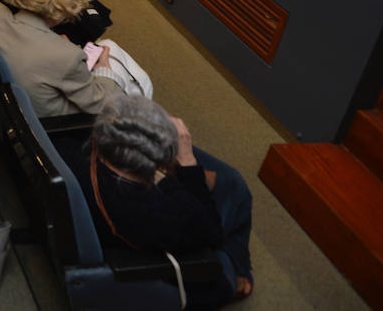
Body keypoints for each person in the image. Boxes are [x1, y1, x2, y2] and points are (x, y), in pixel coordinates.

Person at [63, 96, 254, 306]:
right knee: (236, 193)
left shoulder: (74, 151)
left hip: (104, 220)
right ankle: (233, 275)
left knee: (229, 184)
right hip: (154, 263)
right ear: (157, 163)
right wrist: (188, 163)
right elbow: (210, 232)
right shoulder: (156, 214)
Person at [0, 0, 122, 118]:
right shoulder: (68, 56)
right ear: (64, 6)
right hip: (51, 125)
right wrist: (105, 69)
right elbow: (100, 104)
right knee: (123, 76)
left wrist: (56, 45)